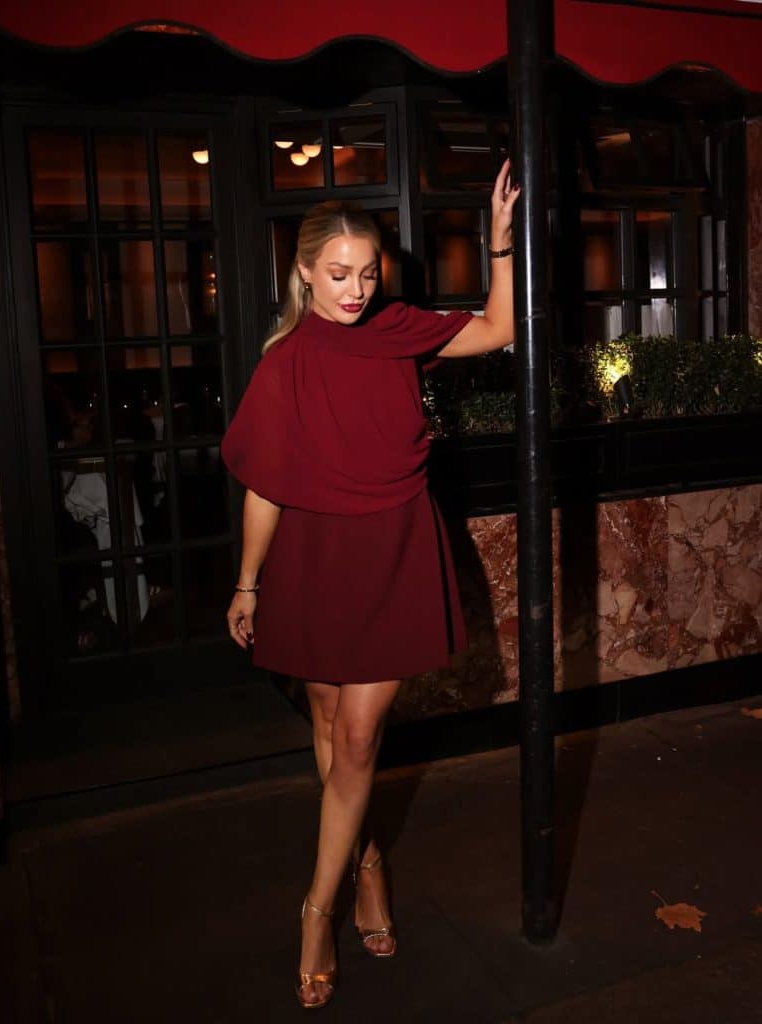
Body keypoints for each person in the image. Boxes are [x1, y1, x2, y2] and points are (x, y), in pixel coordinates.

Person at [222, 160, 520, 1010]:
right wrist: (247, 586)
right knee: (323, 716)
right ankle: (367, 862)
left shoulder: (397, 331)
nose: (356, 290)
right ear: (306, 271)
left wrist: (497, 243)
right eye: (340, 275)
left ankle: (316, 911)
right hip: (314, 559)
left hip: (392, 550)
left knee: (356, 738)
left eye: (369, 273)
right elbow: (266, 486)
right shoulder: (283, 364)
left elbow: (499, 328)